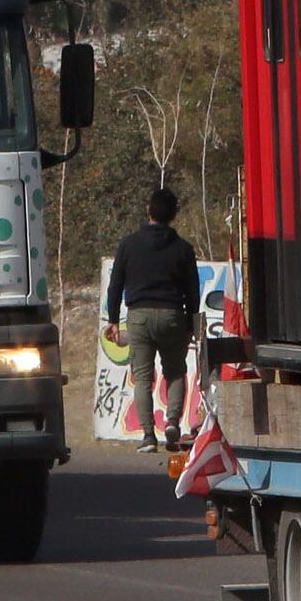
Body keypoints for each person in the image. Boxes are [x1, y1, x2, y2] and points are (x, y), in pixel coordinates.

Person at [109, 188, 202, 451]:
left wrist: (114, 319)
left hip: (138, 317)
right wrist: (190, 323)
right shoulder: (183, 248)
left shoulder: (128, 244)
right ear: (174, 215)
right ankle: (173, 422)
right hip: (173, 315)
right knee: (175, 372)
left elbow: (115, 285)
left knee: (142, 377)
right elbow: (193, 289)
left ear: (148, 210)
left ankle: (148, 435)